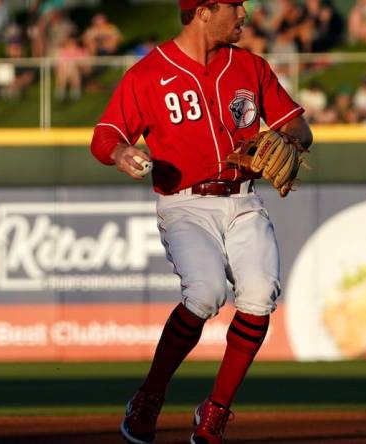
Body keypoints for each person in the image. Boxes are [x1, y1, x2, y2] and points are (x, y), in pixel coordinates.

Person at [89, 0, 312, 442]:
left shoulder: (251, 66)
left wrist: (288, 140)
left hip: (244, 201)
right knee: (207, 292)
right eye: (235, 6)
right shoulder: (149, 74)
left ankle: (216, 410)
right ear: (204, 11)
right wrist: (121, 153)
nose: (244, 15)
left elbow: (300, 129)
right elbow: (105, 135)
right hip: (185, 205)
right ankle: (150, 397)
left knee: (259, 294)